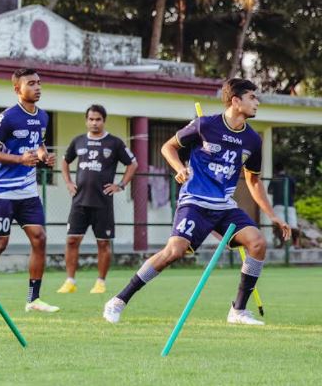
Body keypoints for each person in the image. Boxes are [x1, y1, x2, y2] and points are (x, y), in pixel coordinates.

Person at [103, 78, 292, 325]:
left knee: (257, 242)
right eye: (252, 97)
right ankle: (118, 300)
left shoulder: (253, 140)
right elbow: (168, 148)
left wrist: (273, 216)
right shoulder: (205, 125)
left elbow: (253, 181)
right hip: (195, 201)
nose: (257, 102)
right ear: (236, 101)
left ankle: (238, 310)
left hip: (224, 206)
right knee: (174, 252)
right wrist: (180, 168)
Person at [0, 68, 59, 313]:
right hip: (2, 192)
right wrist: (19, 159)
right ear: (18, 89)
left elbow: (37, 144)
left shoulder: (44, 117)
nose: (37, 87)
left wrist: (44, 157)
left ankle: (33, 299)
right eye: (31, 83)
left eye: (39, 83)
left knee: (40, 239)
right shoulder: (7, 118)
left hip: (27, 191)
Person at [57, 105, 137, 295]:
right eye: (91, 119)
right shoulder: (78, 141)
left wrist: (121, 185)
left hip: (103, 202)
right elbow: (65, 161)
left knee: (103, 243)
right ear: (86, 121)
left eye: (98, 119)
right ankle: (70, 281)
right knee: (72, 240)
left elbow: (133, 164)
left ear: (104, 121)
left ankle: (100, 282)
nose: (94, 123)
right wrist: (68, 182)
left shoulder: (114, 143)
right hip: (79, 201)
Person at [268, 163, 299, 247]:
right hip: (290, 205)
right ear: (283, 169)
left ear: (275, 170)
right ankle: (295, 243)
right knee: (293, 226)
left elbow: (269, 191)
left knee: (279, 226)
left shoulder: (275, 179)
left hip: (278, 205)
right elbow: (294, 192)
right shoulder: (290, 179)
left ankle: (282, 244)